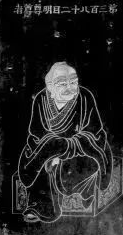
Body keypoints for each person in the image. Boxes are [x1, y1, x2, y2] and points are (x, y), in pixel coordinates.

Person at [17, 62, 116, 223]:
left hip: (80, 149)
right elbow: (37, 134)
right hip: (47, 147)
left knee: (75, 166)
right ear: (50, 86)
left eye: (73, 82)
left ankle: (84, 193)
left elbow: (94, 133)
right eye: (63, 84)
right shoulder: (41, 99)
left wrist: (65, 148)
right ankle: (41, 207)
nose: (70, 87)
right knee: (42, 160)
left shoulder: (85, 97)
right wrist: (53, 151)